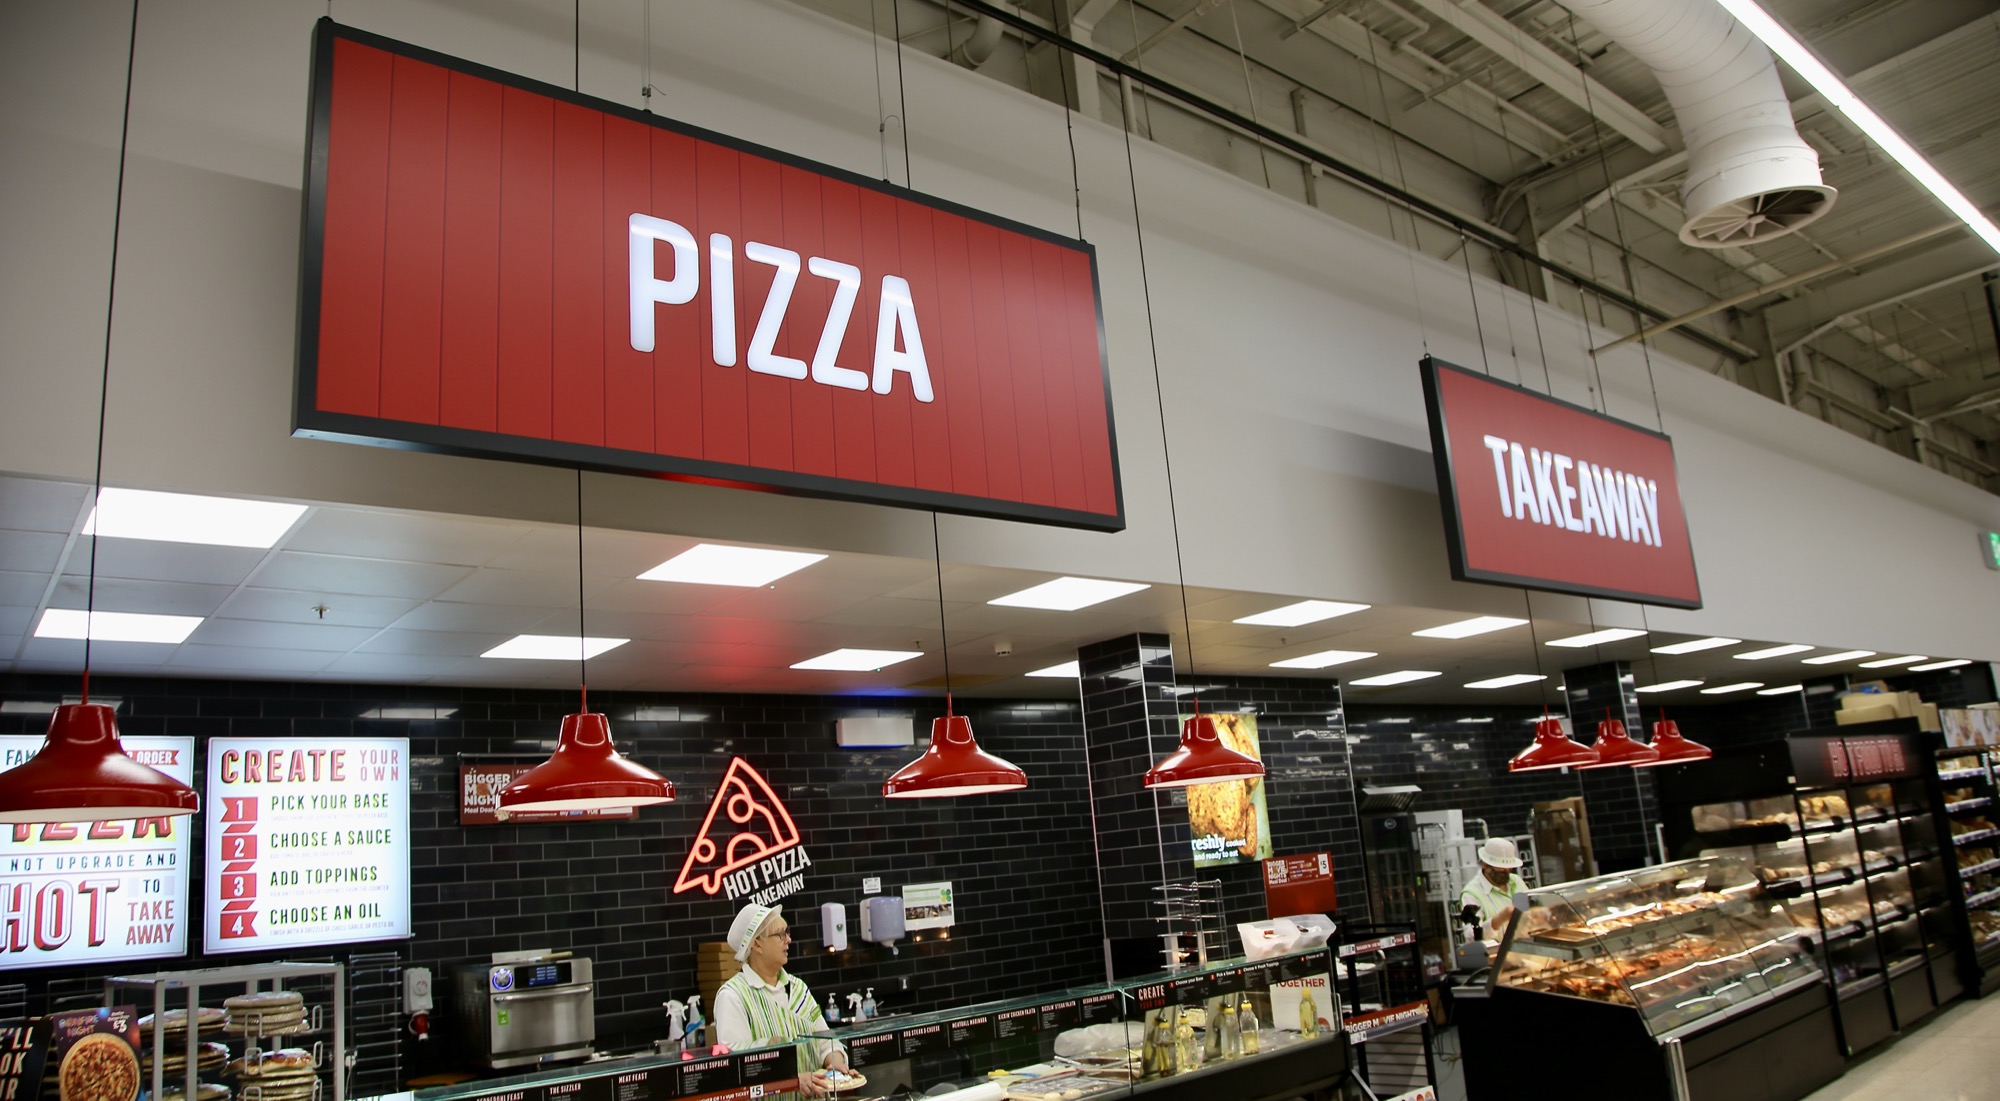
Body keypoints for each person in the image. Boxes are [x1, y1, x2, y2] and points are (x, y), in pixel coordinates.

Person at [714, 903, 850, 1097]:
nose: (788, 940)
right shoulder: (733, 997)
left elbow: (825, 1039)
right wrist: (790, 1078)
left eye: (787, 933)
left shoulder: (798, 989)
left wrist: (835, 1062)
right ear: (757, 944)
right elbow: (738, 1065)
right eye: (780, 935)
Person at [1458, 837, 1529, 938]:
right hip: (1498, 951)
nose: (1507, 872)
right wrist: (1500, 919)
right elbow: (1471, 936)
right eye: (1501, 869)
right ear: (1486, 866)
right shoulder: (1471, 894)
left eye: (1509, 868)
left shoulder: (1516, 881)